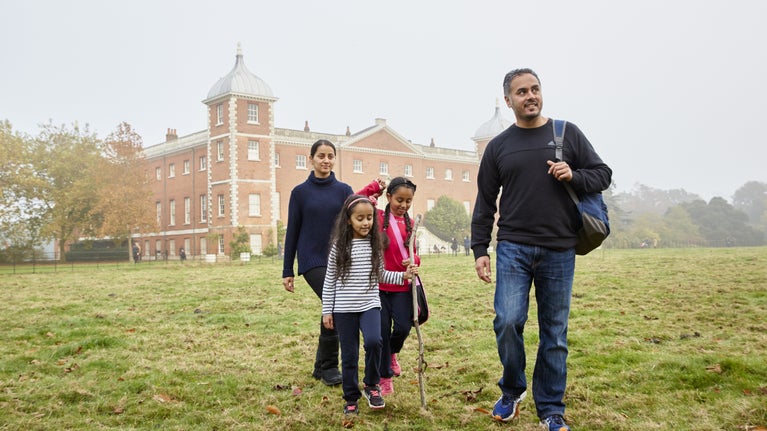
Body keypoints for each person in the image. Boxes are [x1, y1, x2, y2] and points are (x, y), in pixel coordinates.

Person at [471, 68, 612, 430]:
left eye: (535, 89)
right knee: (507, 321)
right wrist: (479, 249)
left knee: (554, 332)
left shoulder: (567, 133)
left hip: (559, 248)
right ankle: (513, 390)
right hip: (513, 247)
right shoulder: (500, 146)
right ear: (509, 100)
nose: (530, 96)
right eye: (521, 92)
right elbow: (485, 202)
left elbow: (603, 174)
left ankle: (551, 408)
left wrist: (574, 175)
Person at [282, 139, 383, 387]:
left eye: (330, 156)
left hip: (339, 259)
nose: (326, 160)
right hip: (312, 259)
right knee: (336, 304)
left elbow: (357, 211)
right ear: (311, 159)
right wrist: (288, 270)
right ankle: (329, 366)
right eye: (321, 156)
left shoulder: (343, 189)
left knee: (332, 306)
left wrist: (372, 196)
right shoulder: (300, 193)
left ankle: (320, 366)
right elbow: (292, 231)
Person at [321, 195, 417, 415]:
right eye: (360, 218)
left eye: (369, 218)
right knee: (350, 355)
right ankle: (351, 398)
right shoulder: (340, 246)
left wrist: (404, 276)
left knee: (375, 342)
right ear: (348, 220)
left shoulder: (376, 244)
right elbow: (330, 279)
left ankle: (372, 385)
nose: (366, 223)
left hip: (369, 305)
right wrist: (327, 310)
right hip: (344, 309)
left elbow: (381, 275)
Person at [375, 177, 419, 396]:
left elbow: (415, 254)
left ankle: (393, 352)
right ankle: (384, 377)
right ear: (389, 197)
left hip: (403, 287)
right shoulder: (378, 217)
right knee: (381, 332)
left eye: (408, 201)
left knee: (403, 327)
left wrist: (413, 263)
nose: (403, 205)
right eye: (399, 199)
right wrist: (375, 186)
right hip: (379, 287)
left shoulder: (411, 224)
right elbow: (354, 202)